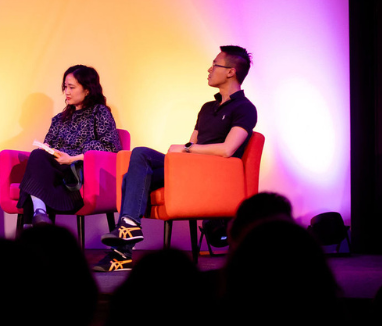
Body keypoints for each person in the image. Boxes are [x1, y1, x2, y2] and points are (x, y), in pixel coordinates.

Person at [95, 45, 257, 272]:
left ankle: (122, 250)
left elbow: (228, 149)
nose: (209, 70)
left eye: (215, 65)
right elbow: (193, 143)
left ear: (231, 72)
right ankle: (128, 231)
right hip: (191, 168)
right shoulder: (207, 107)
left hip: (214, 175)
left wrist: (188, 149)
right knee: (135, 166)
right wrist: (186, 152)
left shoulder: (245, 108)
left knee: (137, 167)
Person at [17, 65, 121, 225]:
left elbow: (111, 148)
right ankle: (39, 214)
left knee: (31, 178)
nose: (67, 92)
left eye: (71, 87)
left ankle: (36, 218)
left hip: (78, 169)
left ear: (87, 90)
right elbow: (49, 143)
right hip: (56, 167)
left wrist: (72, 158)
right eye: (65, 87)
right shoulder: (60, 118)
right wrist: (48, 149)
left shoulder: (99, 113)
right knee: (38, 155)